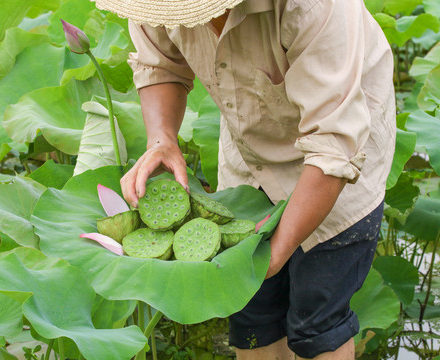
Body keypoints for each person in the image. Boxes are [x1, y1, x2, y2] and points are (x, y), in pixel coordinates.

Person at [94, 0, 396, 358]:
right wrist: (162, 139)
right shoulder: (158, 5)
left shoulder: (315, 6)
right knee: (253, 317)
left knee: (317, 321)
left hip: (341, 157)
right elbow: (160, 65)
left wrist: (275, 253)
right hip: (249, 154)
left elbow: (334, 146)